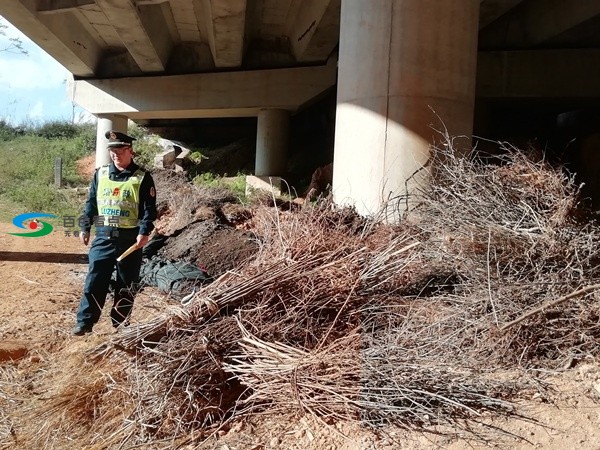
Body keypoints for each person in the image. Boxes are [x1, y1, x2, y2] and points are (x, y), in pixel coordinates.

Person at [71, 130, 157, 336]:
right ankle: (85, 323)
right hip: (104, 235)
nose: (116, 154)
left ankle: (121, 323)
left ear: (131, 151)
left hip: (131, 239)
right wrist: (84, 227)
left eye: (120, 150)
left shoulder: (142, 177)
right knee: (95, 279)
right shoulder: (100, 174)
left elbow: (149, 209)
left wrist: (144, 232)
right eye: (112, 150)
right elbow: (90, 204)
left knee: (126, 284)